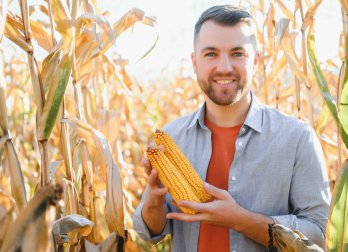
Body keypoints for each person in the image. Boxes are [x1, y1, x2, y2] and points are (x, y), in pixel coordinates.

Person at [133, 5, 331, 252]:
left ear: (255, 61)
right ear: (195, 63)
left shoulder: (298, 139)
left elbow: (317, 234)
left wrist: (240, 220)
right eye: (211, 54)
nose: (224, 67)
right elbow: (149, 232)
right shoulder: (172, 137)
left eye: (237, 53)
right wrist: (154, 201)